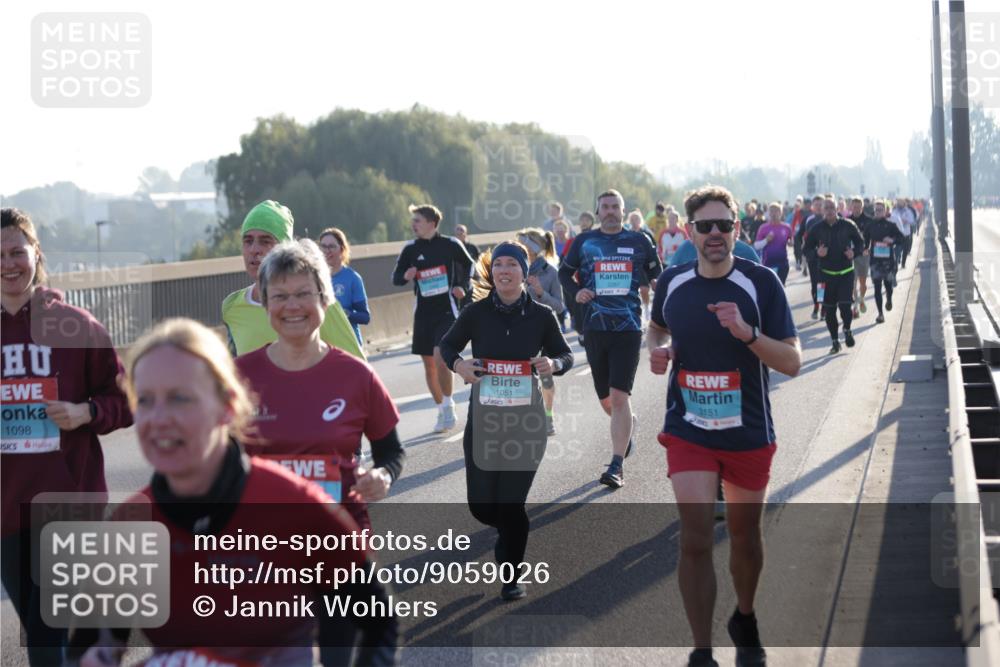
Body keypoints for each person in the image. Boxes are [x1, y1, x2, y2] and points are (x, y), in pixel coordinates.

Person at [70, 318, 398, 667]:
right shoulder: (130, 525)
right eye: (146, 400)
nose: (160, 418)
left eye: (181, 398)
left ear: (226, 407)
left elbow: (378, 622)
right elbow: (88, 647)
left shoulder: (296, 505)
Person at [648, 185, 801, 667]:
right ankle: (701, 650)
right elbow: (658, 325)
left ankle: (746, 615)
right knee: (693, 537)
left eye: (724, 225)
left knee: (745, 537)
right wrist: (659, 349)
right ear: (688, 231)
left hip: (747, 431)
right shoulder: (672, 282)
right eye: (704, 226)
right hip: (688, 428)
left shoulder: (761, 284)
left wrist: (748, 334)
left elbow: (793, 362)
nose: (714, 234)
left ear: (737, 228)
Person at [235, 240, 405, 664]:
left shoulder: (355, 375)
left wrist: (382, 475)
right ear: (266, 304)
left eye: (303, 294)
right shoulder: (239, 377)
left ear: (325, 299)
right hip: (263, 552)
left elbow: (391, 451)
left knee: (339, 653)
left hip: (338, 543)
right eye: (280, 296)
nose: (292, 306)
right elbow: (216, 459)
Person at [1, 208, 133, 667]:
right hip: (6, 511)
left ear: (36, 254)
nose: (8, 263)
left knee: (43, 633)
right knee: (47, 630)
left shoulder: (76, 326)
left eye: (17, 251)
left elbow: (126, 400)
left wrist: (86, 411)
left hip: (69, 502)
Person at [439, 241, 573, 600]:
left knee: (512, 505)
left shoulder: (542, 315)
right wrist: (460, 366)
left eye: (511, 264)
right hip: (484, 423)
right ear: (491, 271)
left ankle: (512, 574)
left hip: (526, 423)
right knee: (482, 506)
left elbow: (565, 354)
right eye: (498, 264)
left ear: (525, 273)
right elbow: (447, 346)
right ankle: (507, 534)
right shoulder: (475, 313)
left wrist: (554, 364)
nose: (503, 270)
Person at [558, 189, 662, 488]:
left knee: (619, 397)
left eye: (615, 206)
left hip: (628, 327)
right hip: (594, 327)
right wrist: (576, 292)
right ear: (598, 211)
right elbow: (565, 273)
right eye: (605, 207)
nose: (611, 211)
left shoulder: (639, 240)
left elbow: (657, 275)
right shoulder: (584, 241)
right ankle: (629, 425)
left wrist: (665, 293)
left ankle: (616, 465)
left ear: (623, 209)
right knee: (607, 400)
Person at [222, 200, 362, 359]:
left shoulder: (318, 303)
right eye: (248, 241)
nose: (254, 250)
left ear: (285, 248)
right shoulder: (231, 307)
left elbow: (356, 372)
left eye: (265, 241)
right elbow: (231, 374)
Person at [391, 204, 474, 433]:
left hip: (446, 311)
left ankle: (448, 403)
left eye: (418, 220)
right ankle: (441, 408)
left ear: (432, 223)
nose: (413, 224)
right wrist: (405, 276)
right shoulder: (410, 249)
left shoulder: (450, 244)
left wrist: (461, 286)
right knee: (429, 366)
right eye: (413, 220)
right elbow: (395, 278)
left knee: (440, 358)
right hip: (423, 314)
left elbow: (469, 265)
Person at [517, 228, 566, 435]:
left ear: (534, 248)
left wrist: (540, 292)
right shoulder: (513, 267)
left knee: (545, 378)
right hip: (518, 329)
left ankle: (548, 416)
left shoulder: (550, 272)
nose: (519, 246)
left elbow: (560, 306)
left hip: (544, 330)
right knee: (519, 377)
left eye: (523, 244)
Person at [802, 198, 865, 354]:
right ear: (822, 210)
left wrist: (854, 252)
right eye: (826, 207)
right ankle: (835, 341)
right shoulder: (816, 229)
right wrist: (817, 253)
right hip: (825, 276)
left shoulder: (848, 225)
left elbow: (860, 243)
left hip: (845, 273)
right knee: (829, 310)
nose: (829, 210)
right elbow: (806, 249)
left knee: (845, 306)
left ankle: (847, 329)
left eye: (832, 207)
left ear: (837, 208)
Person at [318, 227, 370, 347]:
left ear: (341, 249)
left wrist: (346, 313)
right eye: (323, 246)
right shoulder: (312, 278)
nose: (327, 251)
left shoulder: (353, 278)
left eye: (331, 246)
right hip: (323, 346)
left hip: (348, 344)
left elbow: (365, 317)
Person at [866, 200, 904, 324]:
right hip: (875, 261)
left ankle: (889, 299)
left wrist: (892, 240)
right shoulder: (870, 225)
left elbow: (901, 239)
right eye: (876, 210)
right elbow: (864, 241)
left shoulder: (891, 225)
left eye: (880, 210)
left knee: (888, 286)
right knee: (877, 287)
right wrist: (865, 249)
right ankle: (880, 314)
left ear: (885, 211)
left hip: (888, 261)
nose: (878, 212)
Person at [794, 195, 826, 319]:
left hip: (827, 257)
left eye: (820, 204)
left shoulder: (829, 218)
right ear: (812, 206)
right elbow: (798, 236)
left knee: (823, 284)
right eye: (816, 204)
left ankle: (824, 308)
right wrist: (800, 252)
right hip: (813, 256)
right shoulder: (808, 219)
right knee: (815, 285)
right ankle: (816, 305)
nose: (818, 207)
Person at [847, 196, 874, 317]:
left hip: (863, 255)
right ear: (851, 207)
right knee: (852, 282)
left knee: (862, 282)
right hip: (852, 255)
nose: (856, 209)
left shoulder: (869, 220)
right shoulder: (847, 221)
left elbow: (872, 237)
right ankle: (855, 306)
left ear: (862, 207)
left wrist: (868, 249)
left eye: (858, 207)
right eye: (854, 207)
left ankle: (862, 298)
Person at [753, 202, 793, 285]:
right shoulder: (763, 228)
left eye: (776, 211)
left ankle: (820, 298)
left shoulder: (786, 227)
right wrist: (766, 240)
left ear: (781, 213)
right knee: (770, 288)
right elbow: (756, 246)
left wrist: (791, 243)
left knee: (780, 287)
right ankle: (819, 297)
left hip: (783, 263)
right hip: (768, 264)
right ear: (768, 213)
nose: (774, 213)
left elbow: (791, 241)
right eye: (771, 211)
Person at [627, 210, 657, 322]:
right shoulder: (626, 234)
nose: (635, 222)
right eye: (633, 219)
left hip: (644, 265)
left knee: (644, 289)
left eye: (637, 219)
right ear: (629, 221)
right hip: (629, 266)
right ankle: (634, 313)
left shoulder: (647, 234)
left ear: (641, 220)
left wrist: (653, 267)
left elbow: (654, 252)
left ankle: (646, 309)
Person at [668, 236, 761, 268]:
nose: (714, 231)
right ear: (690, 230)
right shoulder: (685, 249)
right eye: (705, 225)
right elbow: (667, 284)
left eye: (723, 224)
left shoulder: (746, 252)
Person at [889, 199, 915, 269]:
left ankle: (903, 263)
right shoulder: (894, 211)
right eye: (898, 203)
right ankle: (897, 261)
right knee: (897, 249)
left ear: (904, 203)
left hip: (906, 233)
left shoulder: (908, 211)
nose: (899, 204)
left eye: (901, 203)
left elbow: (912, 220)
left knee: (905, 249)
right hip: (897, 233)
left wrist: (906, 221)